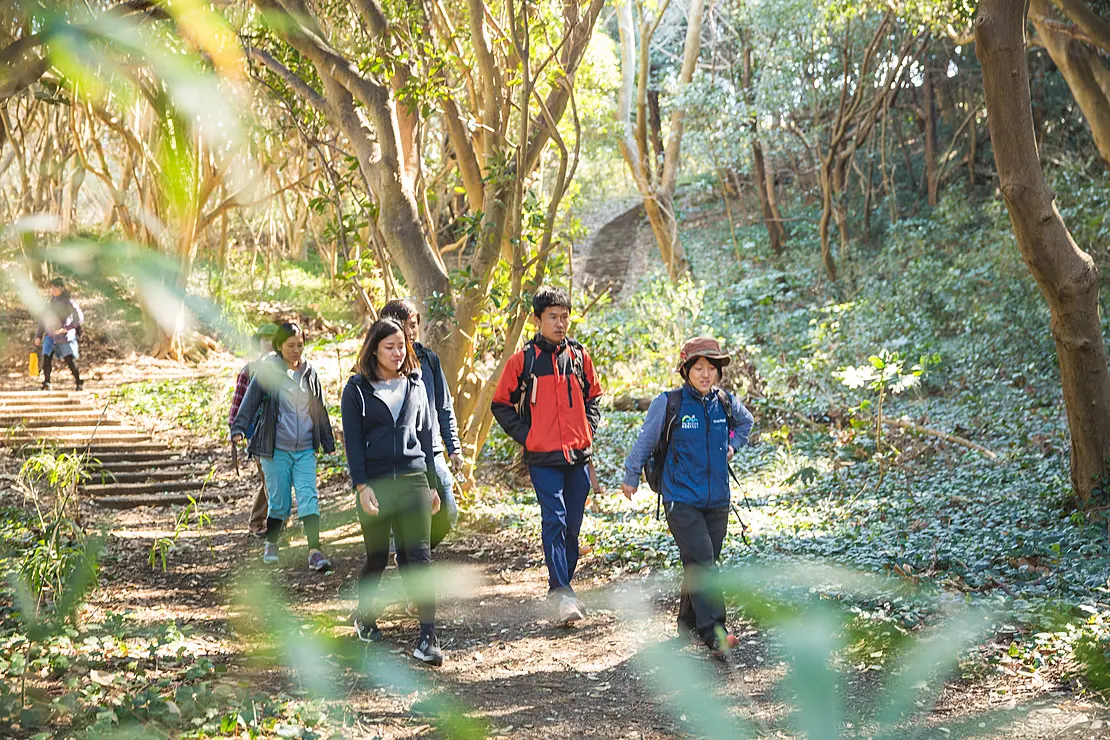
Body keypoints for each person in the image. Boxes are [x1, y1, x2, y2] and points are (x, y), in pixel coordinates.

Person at [620, 337, 754, 658]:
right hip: (681, 500)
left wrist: (733, 444)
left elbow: (745, 422)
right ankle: (715, 633)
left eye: (711, 368)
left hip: (717, 500)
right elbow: (644, 442)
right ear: (685, 370)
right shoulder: (669, 403)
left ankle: (687, 624)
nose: (705, 374)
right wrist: (630, 476)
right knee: (704, 563)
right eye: (698, 367)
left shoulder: (724, 402)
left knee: (699, 563)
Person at [491, 286, 602, 625]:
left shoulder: (580, 357)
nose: (560, 323)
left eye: (564, 316)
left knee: (572, 527)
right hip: (543, 459)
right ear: (538, 320)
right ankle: (564, 594)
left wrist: (589, 429)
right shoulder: (523, 361)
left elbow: (594, 397)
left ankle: (560, 588)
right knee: (554, 520)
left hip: (578, 458)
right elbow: (500, 404)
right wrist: (530, 436)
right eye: (552, 317)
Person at [341, 318, 443, 666]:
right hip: (378, 484)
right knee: (378, 557)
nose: (398, 353)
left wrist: (431, 482)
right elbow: (352, 442)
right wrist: (362, 486)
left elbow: (427, 435)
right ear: (374, 348)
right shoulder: (356, 389)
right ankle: (365, 615)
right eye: (390, 346)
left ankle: (428, 637)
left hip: (414, 478)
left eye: (402, 346)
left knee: (420, 558)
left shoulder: (415, 384)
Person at [230, 322, 335, 571]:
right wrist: (238, 429)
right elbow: (250, 401)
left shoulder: (309, 372)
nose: (296, 350)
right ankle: (272, 543)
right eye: (291, 346)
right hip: (276, 449)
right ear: (279, 346)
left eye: (300, 345)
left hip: (305, 449)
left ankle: (315, 550)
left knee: (309, 498)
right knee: (279, 501)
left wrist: (327, 439)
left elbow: (318, 407)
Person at [378, 298, 463, 547]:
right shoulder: (378, 367)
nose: (411, 331)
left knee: (447, 512)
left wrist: (454, 447)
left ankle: (415, 550)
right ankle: (411, 556)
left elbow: (443, 405)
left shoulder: (429, 359)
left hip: (431, 450)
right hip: (397, 452)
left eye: (414, 324)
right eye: (405, 325)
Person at [229, 324, 279, 538]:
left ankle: (259, 520)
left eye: (273, 338)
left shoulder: (289, 369)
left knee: (275, 478)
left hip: (284, 432)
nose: (268, 342)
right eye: (264, 338)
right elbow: (238, 403)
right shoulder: (249, 371)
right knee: (271, 478)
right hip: (258, 435)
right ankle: (273, 524)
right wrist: (235, 429)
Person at [34, 277, 85, 391]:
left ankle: (79, 381)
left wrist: (66, 329)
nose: (53, 290)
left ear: (61, 288)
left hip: (64, 337)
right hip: (49, 335)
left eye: (55, 288)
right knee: (46, 357)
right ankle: (47, 382)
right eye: (51, 288)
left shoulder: (68, 302)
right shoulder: (50, 302)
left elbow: (79, 317)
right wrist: (38, 335)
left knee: (69, 360)